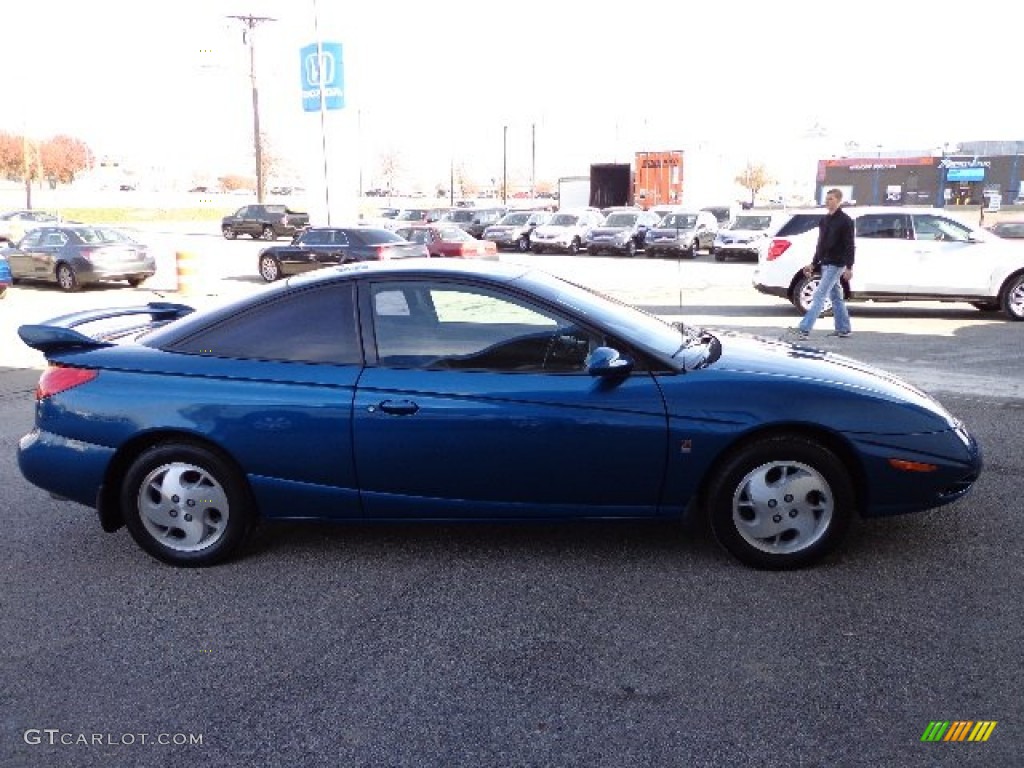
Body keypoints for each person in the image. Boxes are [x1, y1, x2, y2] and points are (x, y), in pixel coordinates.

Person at [787, 188, 855, 339]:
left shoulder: (846, 221)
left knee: (819, 295)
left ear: (839, 201)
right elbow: (821, 244)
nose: (827, 202)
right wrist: (813, 263)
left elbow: (850, 245)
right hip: (825, 262)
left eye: (831, 199)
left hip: (837, 263)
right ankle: (844, 329)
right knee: (836, 297)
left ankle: (804, 329)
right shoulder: (824, 221)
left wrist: (849, 267)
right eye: (827, 199)